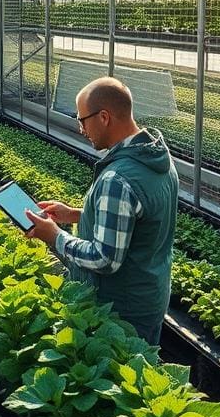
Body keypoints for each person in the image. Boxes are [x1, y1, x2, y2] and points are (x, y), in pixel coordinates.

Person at [23, 76, 178, 344]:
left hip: (120, 308)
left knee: (119, 376)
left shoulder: (118, 179)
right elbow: (138, 223)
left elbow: (104, 258)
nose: (80, 128)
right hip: (150, 294)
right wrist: (75, 215)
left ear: (104, 117)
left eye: (82, 119)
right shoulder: (156, 158)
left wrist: (55, 236)